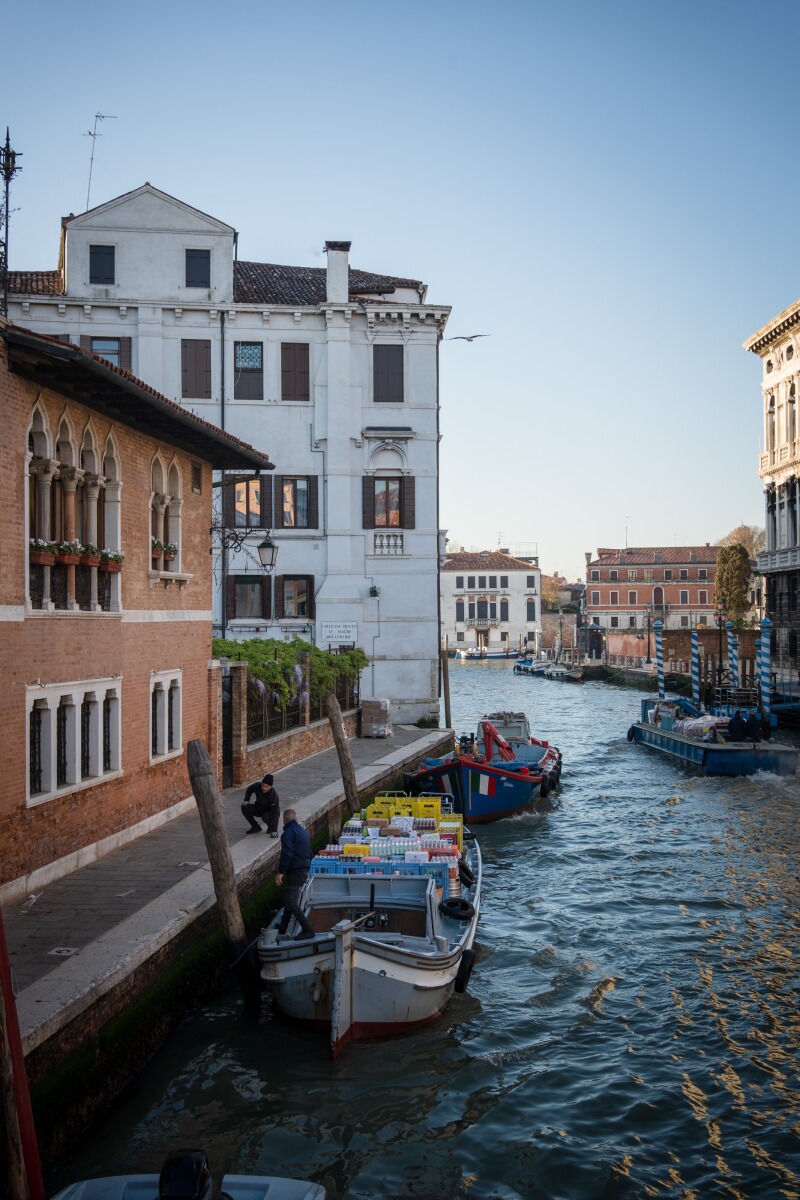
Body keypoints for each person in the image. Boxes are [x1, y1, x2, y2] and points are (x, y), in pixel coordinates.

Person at [275, 808, 314, 940]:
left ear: (284, 820)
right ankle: (283, 927)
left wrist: (281, 872)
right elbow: (309, 852)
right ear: (295, 818)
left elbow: (287, 854)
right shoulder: (303, 832)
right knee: (289, 899)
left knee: (290, 902)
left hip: (296, 871)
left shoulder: (288, 833)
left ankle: (307, 929)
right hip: (303, 869)